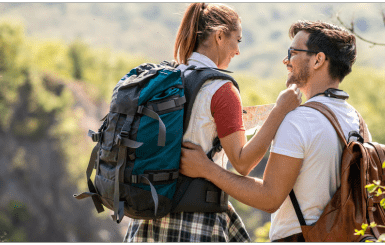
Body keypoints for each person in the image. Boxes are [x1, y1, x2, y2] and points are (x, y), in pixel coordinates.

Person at [124, 3, 302, 242]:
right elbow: (242, 162)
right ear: (220, 36)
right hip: (195, 220)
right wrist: (281, 110)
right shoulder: (221, 89)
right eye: (237, 40)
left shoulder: (172, 78)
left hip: (151, 215)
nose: (238, 51)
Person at [180, 20, 369, 242]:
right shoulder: (356, 121)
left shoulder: (298, 121)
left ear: (318, 60)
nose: (286, 60)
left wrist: (207, 169)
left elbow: (269, 198)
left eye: (293, 52)